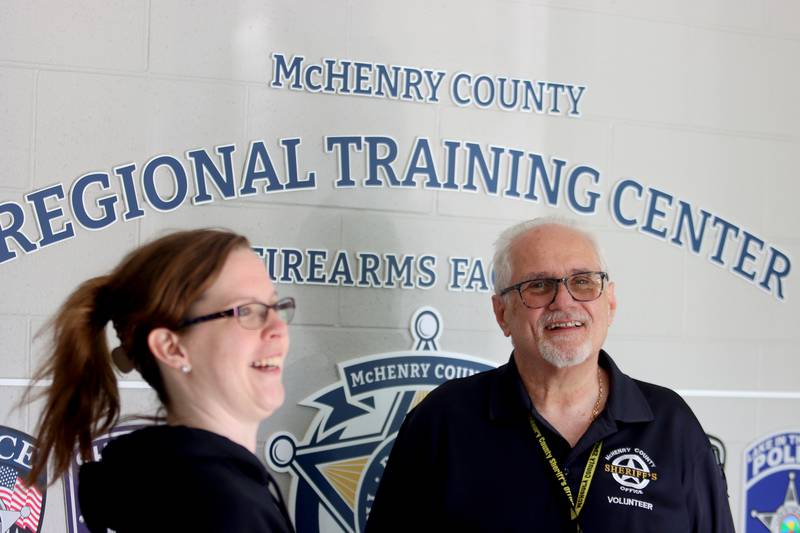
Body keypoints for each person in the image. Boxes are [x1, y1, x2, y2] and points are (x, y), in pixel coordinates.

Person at [366, 217, 735, 532]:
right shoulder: (442, 421)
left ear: (610, 301)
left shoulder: (670, 424)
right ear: (501, 313)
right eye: (538, 285)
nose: (564, 301)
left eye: (583, 281)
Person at [26, 229, 296, 532]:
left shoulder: (172, 483)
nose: (278, 329)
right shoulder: (222, 509)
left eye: (275, 307)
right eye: (246, 310)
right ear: (172, 348)